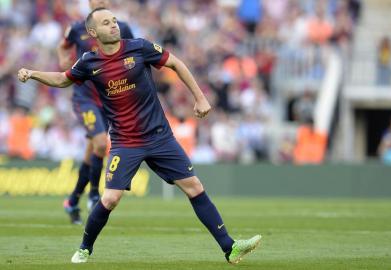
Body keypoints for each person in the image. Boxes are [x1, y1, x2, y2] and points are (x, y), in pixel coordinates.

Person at [18, 8, 261, 265]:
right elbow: (62, 79)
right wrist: (33, 73)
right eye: (106, 23)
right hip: (126, 143)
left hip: (160, 137)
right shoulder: (89, 62)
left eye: (114, 21)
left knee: (195, 187)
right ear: (93, 32)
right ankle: (85, 248)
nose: (113, 25)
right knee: (110, 199)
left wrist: (200, 97)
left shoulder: (139, 48)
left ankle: (230, 247)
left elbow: (176, 63)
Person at [56, 0, 134, 225]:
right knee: (101, 143)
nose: (100, 1)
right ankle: (92, 195)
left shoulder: (122, 28)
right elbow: (63, 46)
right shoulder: (77, 28)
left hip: (109, 98)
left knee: (93, 150)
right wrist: (63, 59)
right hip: (85, 97)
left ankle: (72, 200)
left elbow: (131, 55)